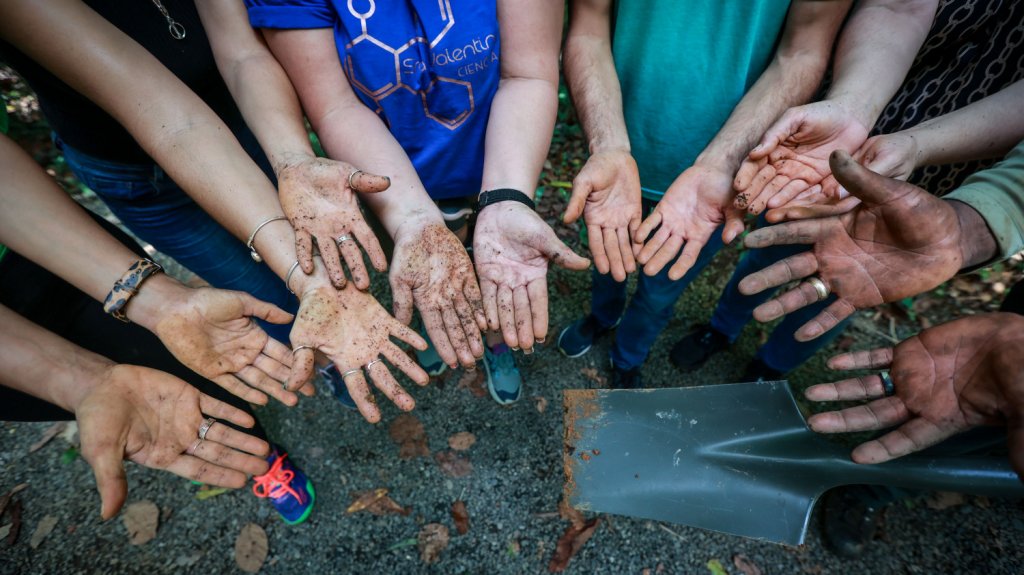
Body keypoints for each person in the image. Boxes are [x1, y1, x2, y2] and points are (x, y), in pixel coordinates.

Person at [0, 0, 431, 425]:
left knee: (307, 260)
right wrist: (154, 302)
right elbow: (158, 108)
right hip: (129, 172)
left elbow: (242, 51)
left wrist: (292, 162)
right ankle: (325, 357)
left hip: (239, 120)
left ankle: (335, 332)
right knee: (249, 286)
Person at [247, 0, 590, 404]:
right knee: (419, 269)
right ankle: (429, 326)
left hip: (498, 157)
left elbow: (528, 74)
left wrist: (508, 195)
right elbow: (334, 106)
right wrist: (410, 216)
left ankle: (496, 339)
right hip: (384, 176)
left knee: (497, 264)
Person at [0, 131, 312, 523]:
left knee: (189, 370)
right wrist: (79, 382)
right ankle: (258, 460)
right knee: (148, 403)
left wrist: (162, 302)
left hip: (45, 240)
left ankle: (261, 453)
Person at [557, 0, 852, 388]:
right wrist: (609, 145)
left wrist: (722, 162)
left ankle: (627, 356)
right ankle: (603, 316)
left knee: (659, 290)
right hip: (621, 147)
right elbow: (588, 25)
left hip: (715, 182)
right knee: (605, 260)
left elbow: (803, 51)